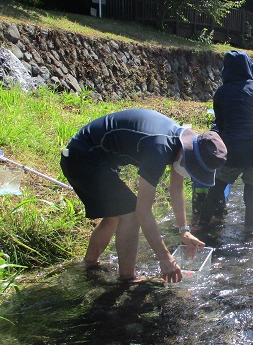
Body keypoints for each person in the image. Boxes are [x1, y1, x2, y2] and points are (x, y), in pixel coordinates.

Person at [60, 108, 227, 282]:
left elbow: (176, 189)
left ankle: (90, 265)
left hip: (97, 158)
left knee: (115, 215)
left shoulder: (183, 144)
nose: (191, 175)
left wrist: (184, 230)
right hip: (81, 158)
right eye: (193, 170)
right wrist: (164, 256)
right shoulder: (160, 147)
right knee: (130, 212)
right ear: (188, 155)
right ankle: (127, 279)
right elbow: (143, 211)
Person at [198, 50, 253, 232]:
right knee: (251, 196)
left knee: (216, 190)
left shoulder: (222, 92)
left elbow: (221, 125)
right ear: (249, 67)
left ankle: (201, 226)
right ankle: (249, 230)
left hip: (232, 148)